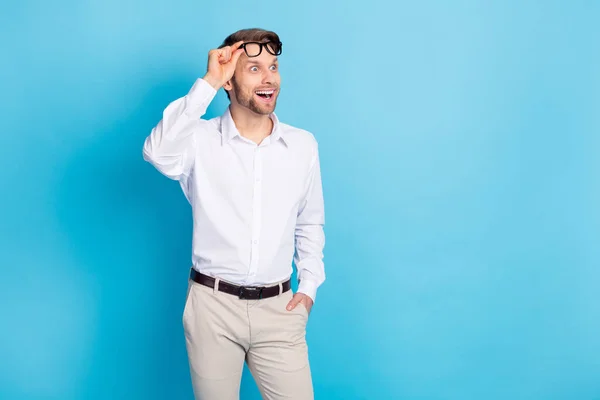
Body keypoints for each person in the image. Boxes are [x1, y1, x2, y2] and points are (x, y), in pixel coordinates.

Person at [142, 28, 326, 400]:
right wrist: (209, 81)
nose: (269, 78)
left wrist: (308, 287)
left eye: (273, 67)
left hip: (279, 309)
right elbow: (157, 152)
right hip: (212, 308)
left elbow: (309, 221)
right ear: (230, 81)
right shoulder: (199, 140)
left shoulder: (302, 145)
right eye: (254, 69)